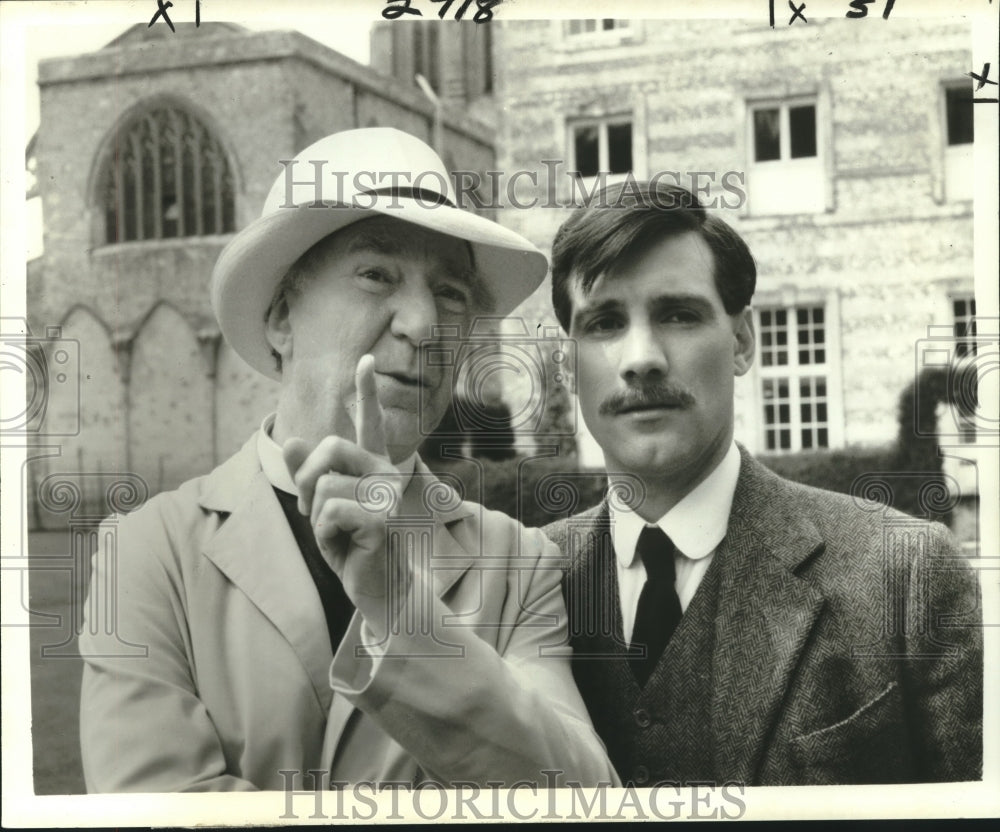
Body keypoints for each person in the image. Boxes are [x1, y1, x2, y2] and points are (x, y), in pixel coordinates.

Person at [78, 128, 617, 792]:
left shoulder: (518, 562)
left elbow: (585, 796)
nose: (422, 323)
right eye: (375, 275)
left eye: (450, 293)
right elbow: (154, 807)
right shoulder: (146, 552)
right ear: (281, 318)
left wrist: (398, 608)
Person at [543, 180, 983, 786]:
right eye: (604, 323)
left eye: (678, 314)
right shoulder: (523, 583)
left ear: (743, 341)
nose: (641, 357)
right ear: (568, 364)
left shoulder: (905, 575)